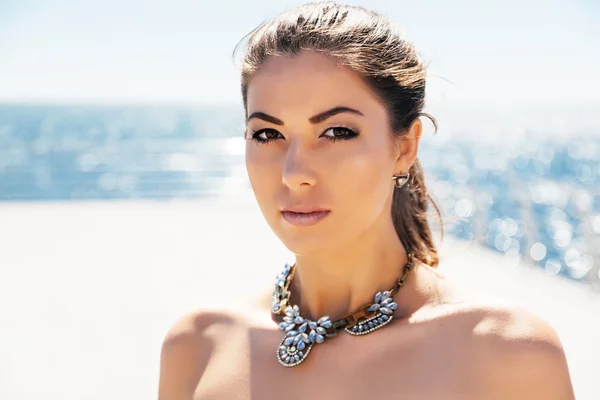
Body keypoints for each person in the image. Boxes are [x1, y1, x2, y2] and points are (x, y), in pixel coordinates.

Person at [158, 2, 575, 399]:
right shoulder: (197, 348)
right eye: (267, 134)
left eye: (337, 132)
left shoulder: (505, 352)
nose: (294, 173)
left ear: (404, 147)